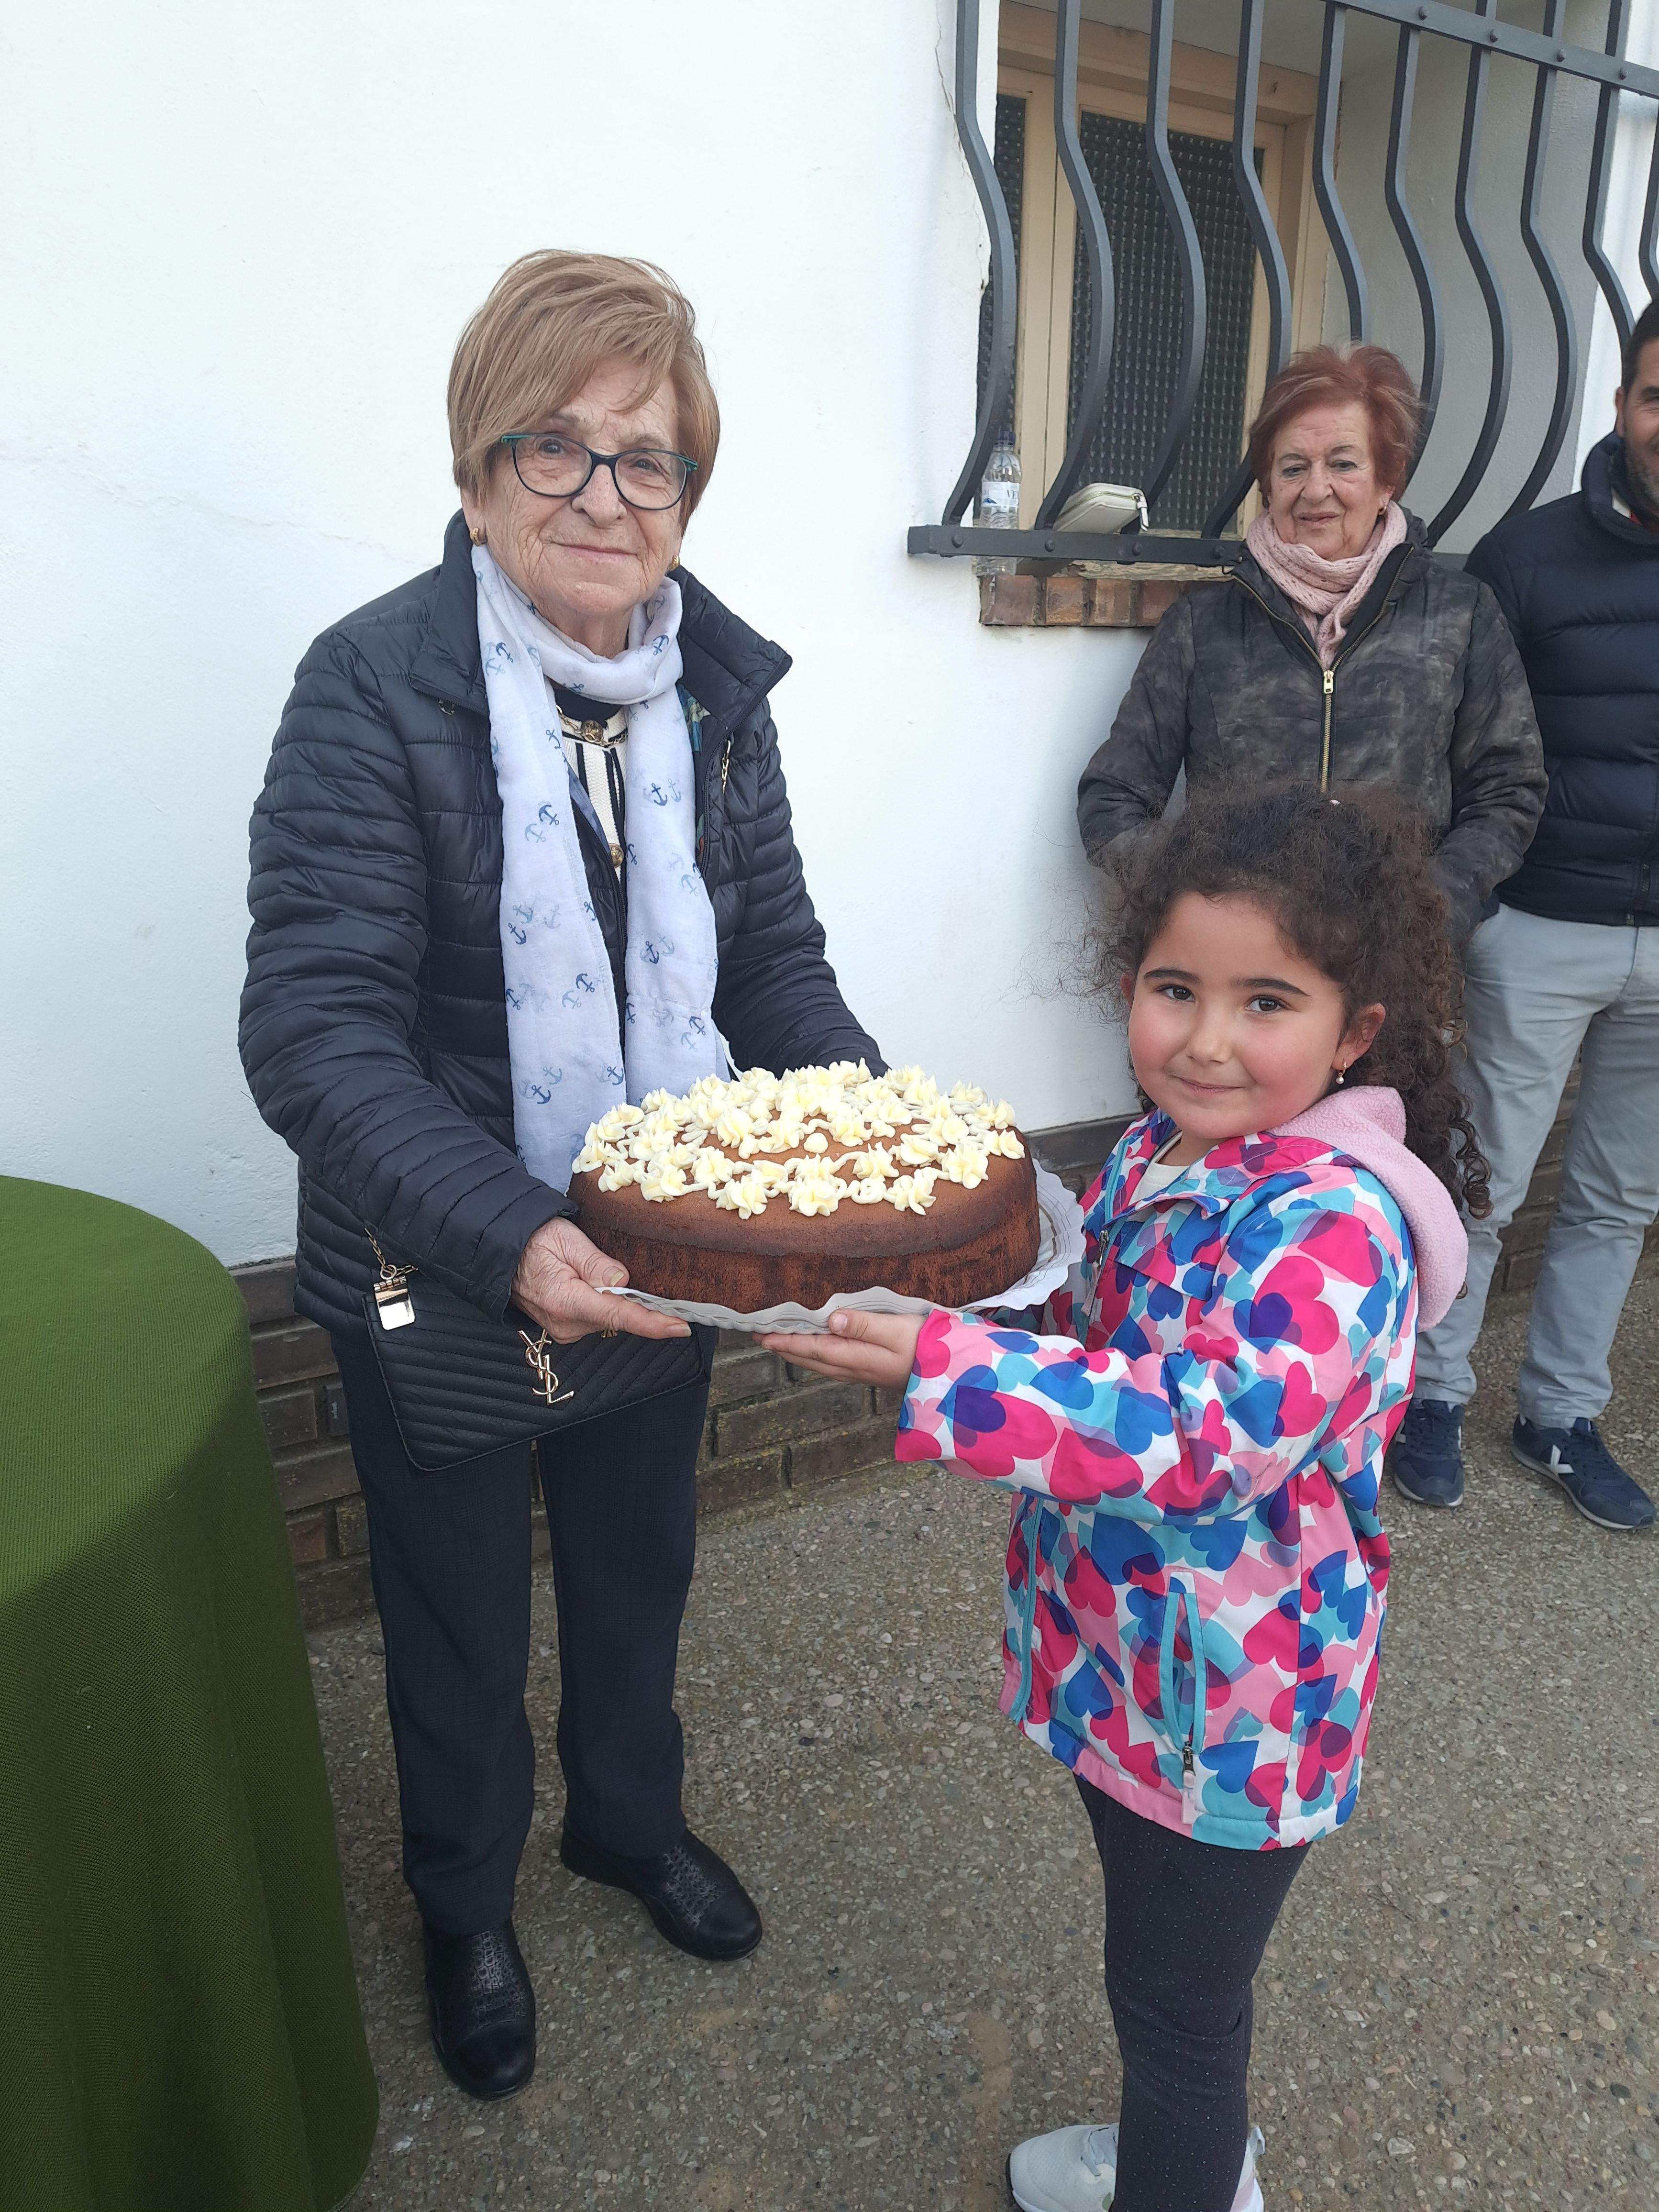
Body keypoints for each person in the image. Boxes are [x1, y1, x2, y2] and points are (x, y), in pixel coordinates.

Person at [240, 250, 882, 2101]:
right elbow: (319, 1029)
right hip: (432, 1247)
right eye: (558, 448)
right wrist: (509, 1226)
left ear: (689, 488)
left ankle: (624, 1818)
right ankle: (465, 1897)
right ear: (476, 466)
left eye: (648, 458)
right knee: (451, 1609)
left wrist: (859, 1156)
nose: (605, 495)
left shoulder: (715, 697)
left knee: (637, 1563)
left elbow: (771, 968)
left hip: (655, 1246)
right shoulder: (371, 684)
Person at [771, 785, 1477, 2212]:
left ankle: (1186, 2172)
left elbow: (1200, 1432)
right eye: (1173, 987)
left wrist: (952, 1369)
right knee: (1156, 1971)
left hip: (1238, 1698)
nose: (1205, 1037)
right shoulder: (1168, 1152)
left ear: (1354, 1032)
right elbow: (1102, 1350)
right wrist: (945, 1319)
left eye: (1265, 998)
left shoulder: (1330, 1228)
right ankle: (1183, 2145)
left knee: (1177, 2002)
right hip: (1131, 1655)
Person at [1389, 297, 1659, 1529]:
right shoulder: (1528, 556)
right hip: (1543, 922)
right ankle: (1431, 1394)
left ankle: (1558, 1412)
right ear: (1622, 405)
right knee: (1480, 1180)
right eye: (1657, 396)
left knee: (1616, 1196)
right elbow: (1467, 747)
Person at [1076, 344, 1545, 947]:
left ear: (1387, 481)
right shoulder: (1203, 625)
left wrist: (1432, 907)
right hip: (1238, 961)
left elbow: (1509, 791)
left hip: (1396, 958)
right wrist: (1201, 902)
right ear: (1268, 485)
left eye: (1344, 464)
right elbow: (1112, 798)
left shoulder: (1462, 615)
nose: (1315, 489)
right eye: (1293, 467)